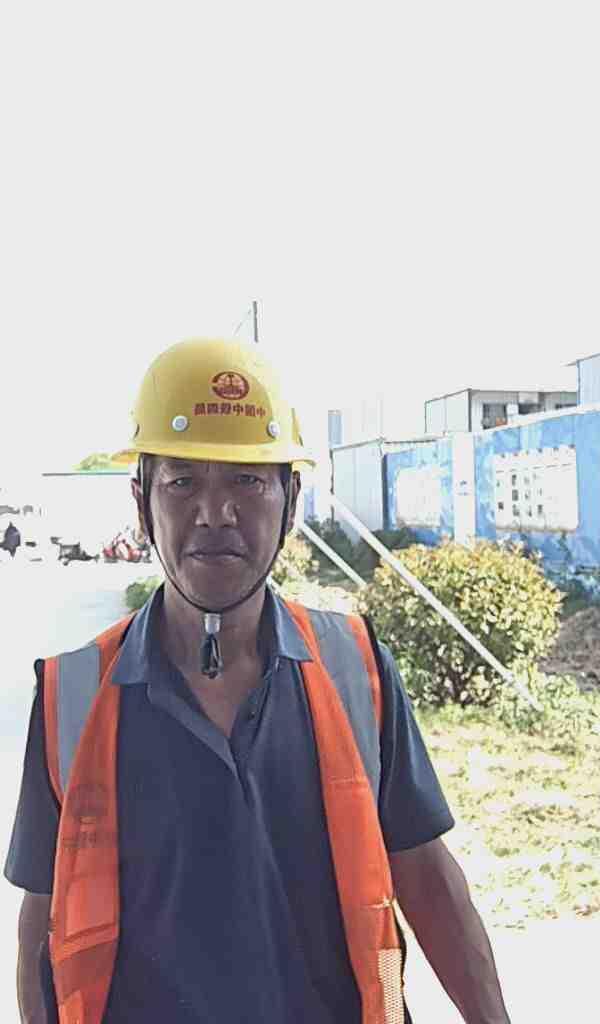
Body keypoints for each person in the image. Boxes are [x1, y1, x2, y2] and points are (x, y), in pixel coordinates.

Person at [5, 338, 511, 1024]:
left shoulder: (355, 668)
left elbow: (427, 878)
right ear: (141, 502)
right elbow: (40, 926)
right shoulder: (74, 694)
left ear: (290, 499)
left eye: (247, 481)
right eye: (182, 481)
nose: (215, 513)